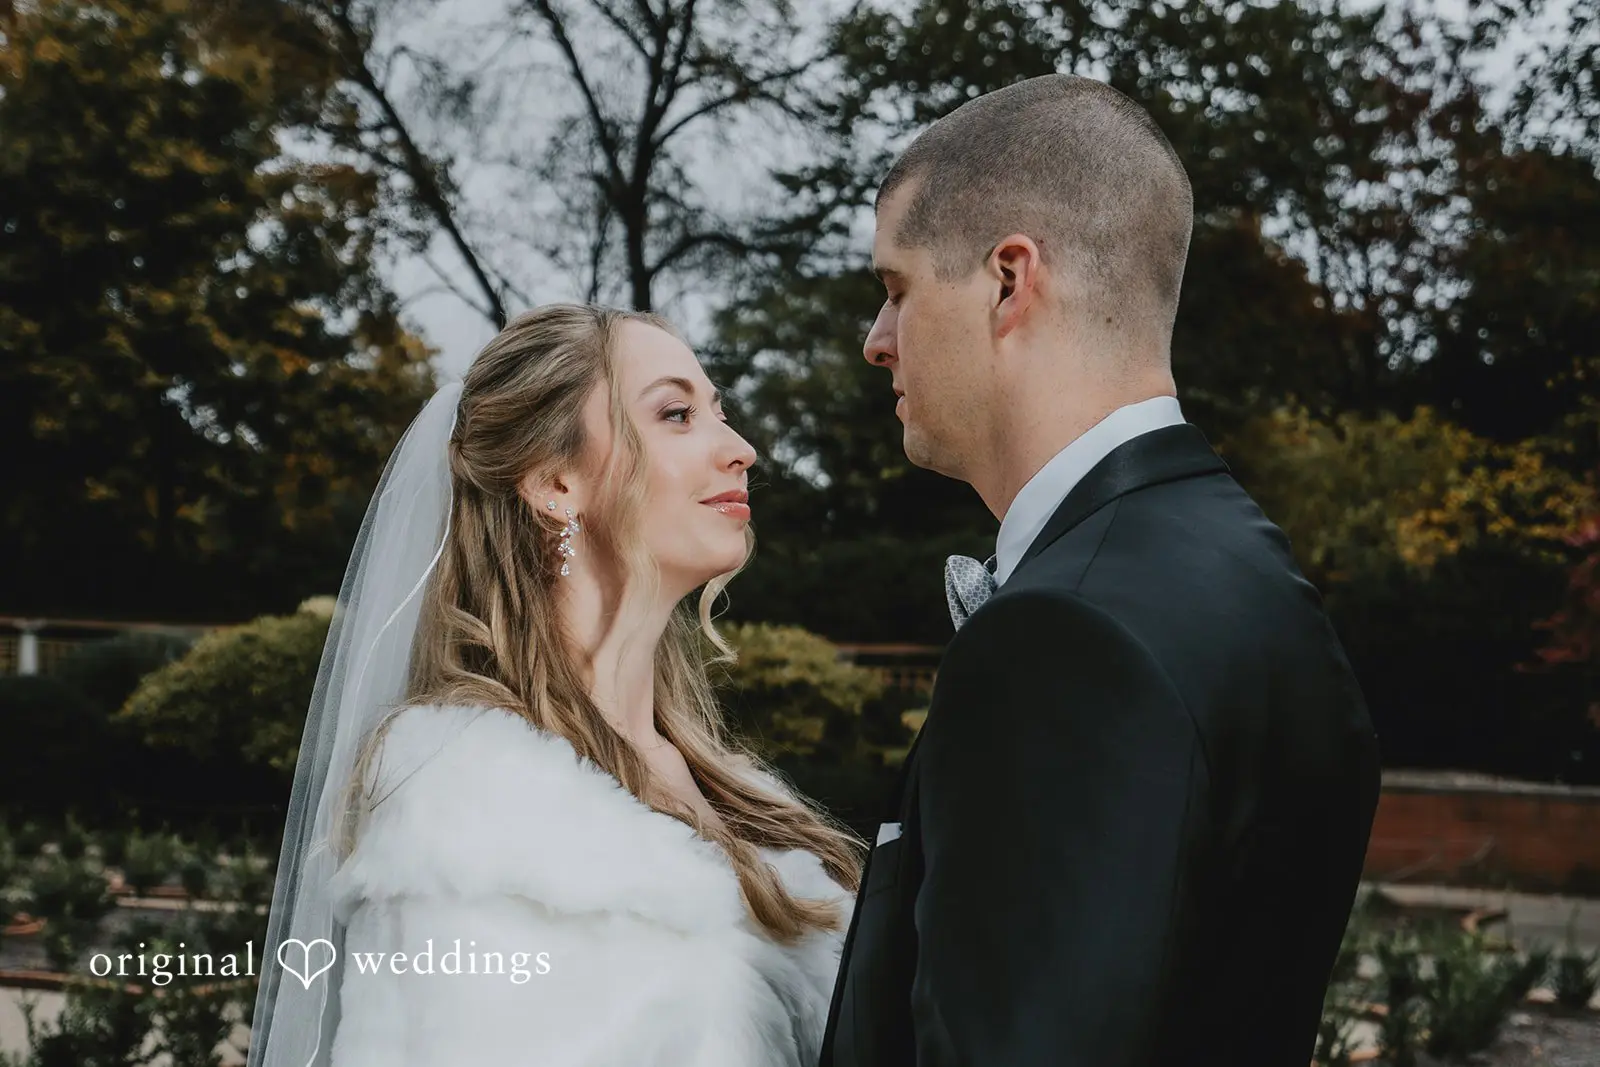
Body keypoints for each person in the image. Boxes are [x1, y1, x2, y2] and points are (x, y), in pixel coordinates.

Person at [820, 74, 1382, 1067]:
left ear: (1007, 279)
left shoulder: (1066, 636)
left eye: (897, 288)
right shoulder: (1248, 571)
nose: (876, 340)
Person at [247, 304, 863, 1067]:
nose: (740, 450)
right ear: (554, 482)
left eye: (719, 412)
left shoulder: (734, 788)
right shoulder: (467, 807)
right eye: (676, 413)